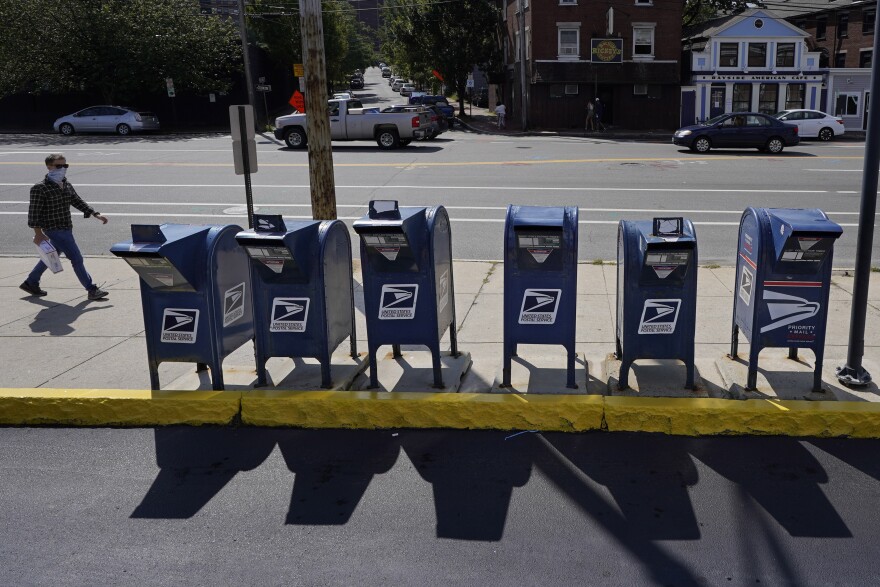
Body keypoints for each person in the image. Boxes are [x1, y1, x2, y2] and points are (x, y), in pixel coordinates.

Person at [20, 154, 109, 300]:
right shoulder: (40, 188)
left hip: (66, 227)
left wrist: (95, 214)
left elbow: (76, 200)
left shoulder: (65, 183)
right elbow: (33, 213)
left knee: (50, 256)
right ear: (49, 167)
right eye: (59, 166)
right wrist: (38, 233)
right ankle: (91, 289)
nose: (63, 169)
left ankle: (31, 282)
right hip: (54, 229)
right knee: (77, 259)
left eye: (65, 166)